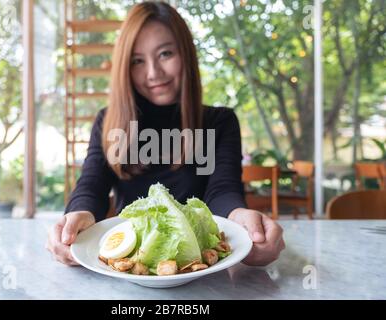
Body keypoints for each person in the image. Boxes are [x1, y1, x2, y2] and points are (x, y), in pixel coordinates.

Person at [46, 1, 285, 267]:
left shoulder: (220, 122)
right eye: (137, 61)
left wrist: (240, 218)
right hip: (130, 274)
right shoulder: (108, 122)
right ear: (125, 67)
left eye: (165, 54)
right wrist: (77, 216)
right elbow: (92, 185)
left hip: (206, 272)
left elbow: (223, 190)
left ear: (186, 54)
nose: (153, 73)